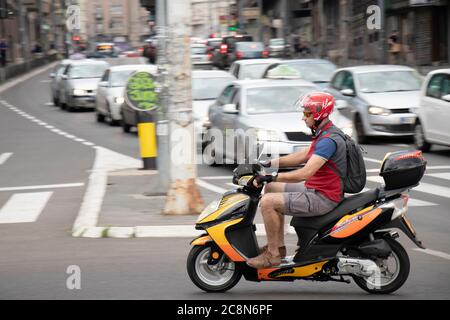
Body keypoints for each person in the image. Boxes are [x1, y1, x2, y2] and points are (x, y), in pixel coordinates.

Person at [246, 92, 347, 269]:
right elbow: (303, 156)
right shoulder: (325, 132)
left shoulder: (328, 140)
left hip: (322, 198)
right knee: (271, 188)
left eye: (307, 113)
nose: (303, 117)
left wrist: (272, 175)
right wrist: (270, 163)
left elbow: (305, 173)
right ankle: (278, 246)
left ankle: (272, 255)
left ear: (319, 113)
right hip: (316, 190)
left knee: (268, 202)